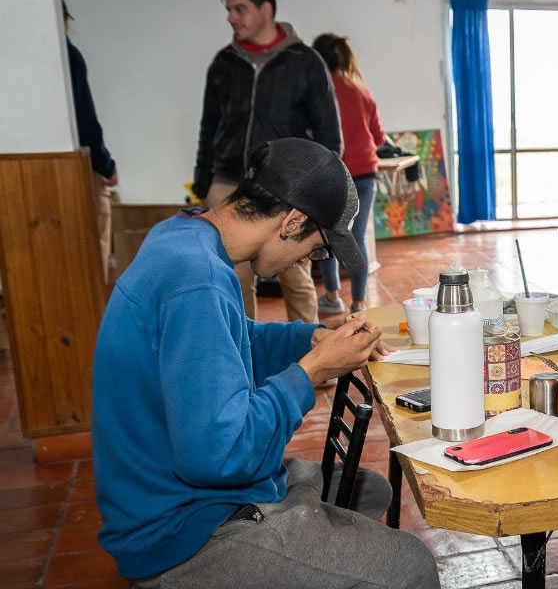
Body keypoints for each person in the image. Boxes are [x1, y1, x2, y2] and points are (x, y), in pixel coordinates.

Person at [92, 138, 440, 588]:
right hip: (182, 530)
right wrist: (311, 371)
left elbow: (229, 346)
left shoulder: (184, 238)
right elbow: (220, 455)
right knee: (411, 567)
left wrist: (308, 338)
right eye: (316, 249)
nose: (307, 261)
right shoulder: (198, 282)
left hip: (175, 491)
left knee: (371, 489)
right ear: (292, 221)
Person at [193, 0, 342, 323]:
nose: (231, 17)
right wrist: (203, 186)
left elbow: (329, 134)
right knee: (232, 279)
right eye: (228, 9)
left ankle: (309, 352)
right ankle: (244, 356)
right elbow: (208, 127)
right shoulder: (223, 63)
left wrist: (315, 191)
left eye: (240, 8)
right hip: (228, 184)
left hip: (288, 190)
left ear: (266, 9)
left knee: (297, 277)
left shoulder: (305, 62)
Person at [311, 33, 384, 315]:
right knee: (356, 238)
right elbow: (378, 138)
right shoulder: (361, 91)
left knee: (329, 235)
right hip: (365, 174)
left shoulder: (318, 94)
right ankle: (360, 302)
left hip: (333, 173)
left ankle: (332, 296)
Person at [62, 0, 118, 282]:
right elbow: (85, 119)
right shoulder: (67, 56)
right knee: (93, 251)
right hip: (78, 169)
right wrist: (106, 165)